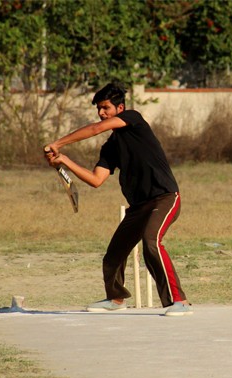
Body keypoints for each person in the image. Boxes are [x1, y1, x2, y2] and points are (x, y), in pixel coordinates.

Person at [44, 83, 192, 316]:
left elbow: (95, 129)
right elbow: (95, 179)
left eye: (105, 108)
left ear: (120, 108)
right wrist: (64, 160)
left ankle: (179, 301)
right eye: (99, 109)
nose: (101, 113)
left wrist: (59, 143)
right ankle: (116, 298)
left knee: (150, 241)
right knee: (113, 255)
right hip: (138, 207)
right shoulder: (110, 147)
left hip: (164, 198)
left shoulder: (133, 119)